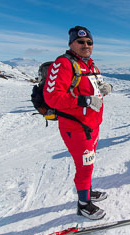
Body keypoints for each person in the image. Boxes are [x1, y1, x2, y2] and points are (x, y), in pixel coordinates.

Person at [43, 26, 112, 220]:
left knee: (89, 162)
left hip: (93, 124)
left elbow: (94, 88)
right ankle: (83, 204)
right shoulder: (63, 64)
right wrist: (84, 100)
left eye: (89, 42)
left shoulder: (90, 65)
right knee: (85, 166)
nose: (85, 45)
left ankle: (87, 192)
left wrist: (106, 88)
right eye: (80, 42)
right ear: (71, 43)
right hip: (75, 126)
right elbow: (52, 97)